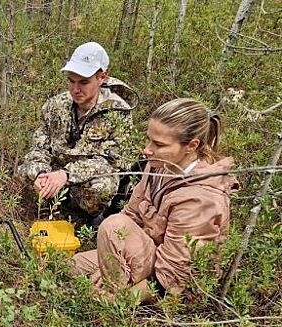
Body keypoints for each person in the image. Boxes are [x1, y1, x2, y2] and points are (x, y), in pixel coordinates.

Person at [72, 98, 239, 301]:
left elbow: (175, 277)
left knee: (113, 226)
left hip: (174, 285)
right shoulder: (160, 164)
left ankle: (112, 304)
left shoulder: (202, 199)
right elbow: (132, 214)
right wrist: (111, 263)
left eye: (159, 144)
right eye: (149, 139)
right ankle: (113, 286)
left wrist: (121, 298)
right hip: (149, 254)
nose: (147, 149)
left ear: (191, 145)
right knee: (72, 267)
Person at [17, 42, 138, 223]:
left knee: (101, 187)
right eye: (71, 81)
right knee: (27, 170)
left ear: (102, 77)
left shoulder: (117, 112)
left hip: (86, 176)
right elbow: (39, 147)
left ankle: (87, 217)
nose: (76, 89)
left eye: (84, 82)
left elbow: (112, 162)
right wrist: (41, 173)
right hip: (56, 169)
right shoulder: (55, 106)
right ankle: (51, 204)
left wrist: (66, 175)